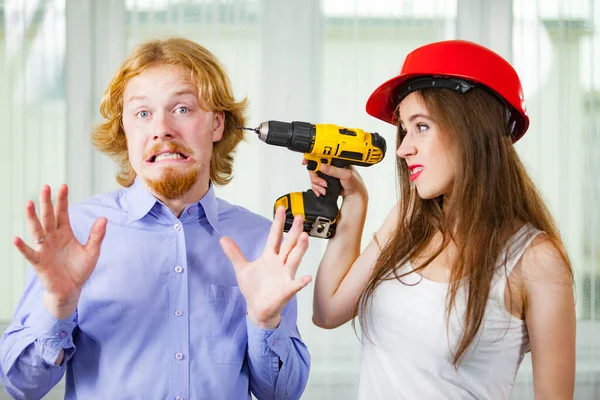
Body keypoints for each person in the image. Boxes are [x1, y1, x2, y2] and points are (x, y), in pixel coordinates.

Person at [0, 37, 312, 400]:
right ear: (125, 132)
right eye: (143, 113)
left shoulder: (262, 242)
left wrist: (264, 322)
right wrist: (58, 307)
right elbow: (21, 385)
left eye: (182, 108)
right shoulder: (76, 235)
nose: (161, 128)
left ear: (216, 124)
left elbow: (283, 394)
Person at [310, 40, 576, 399]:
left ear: (472, 129)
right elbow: (328, 311)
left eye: (421, 126)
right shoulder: (406, 220)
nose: (403, 148)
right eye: (404, 129)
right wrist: (355, 202)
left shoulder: (535, 260)